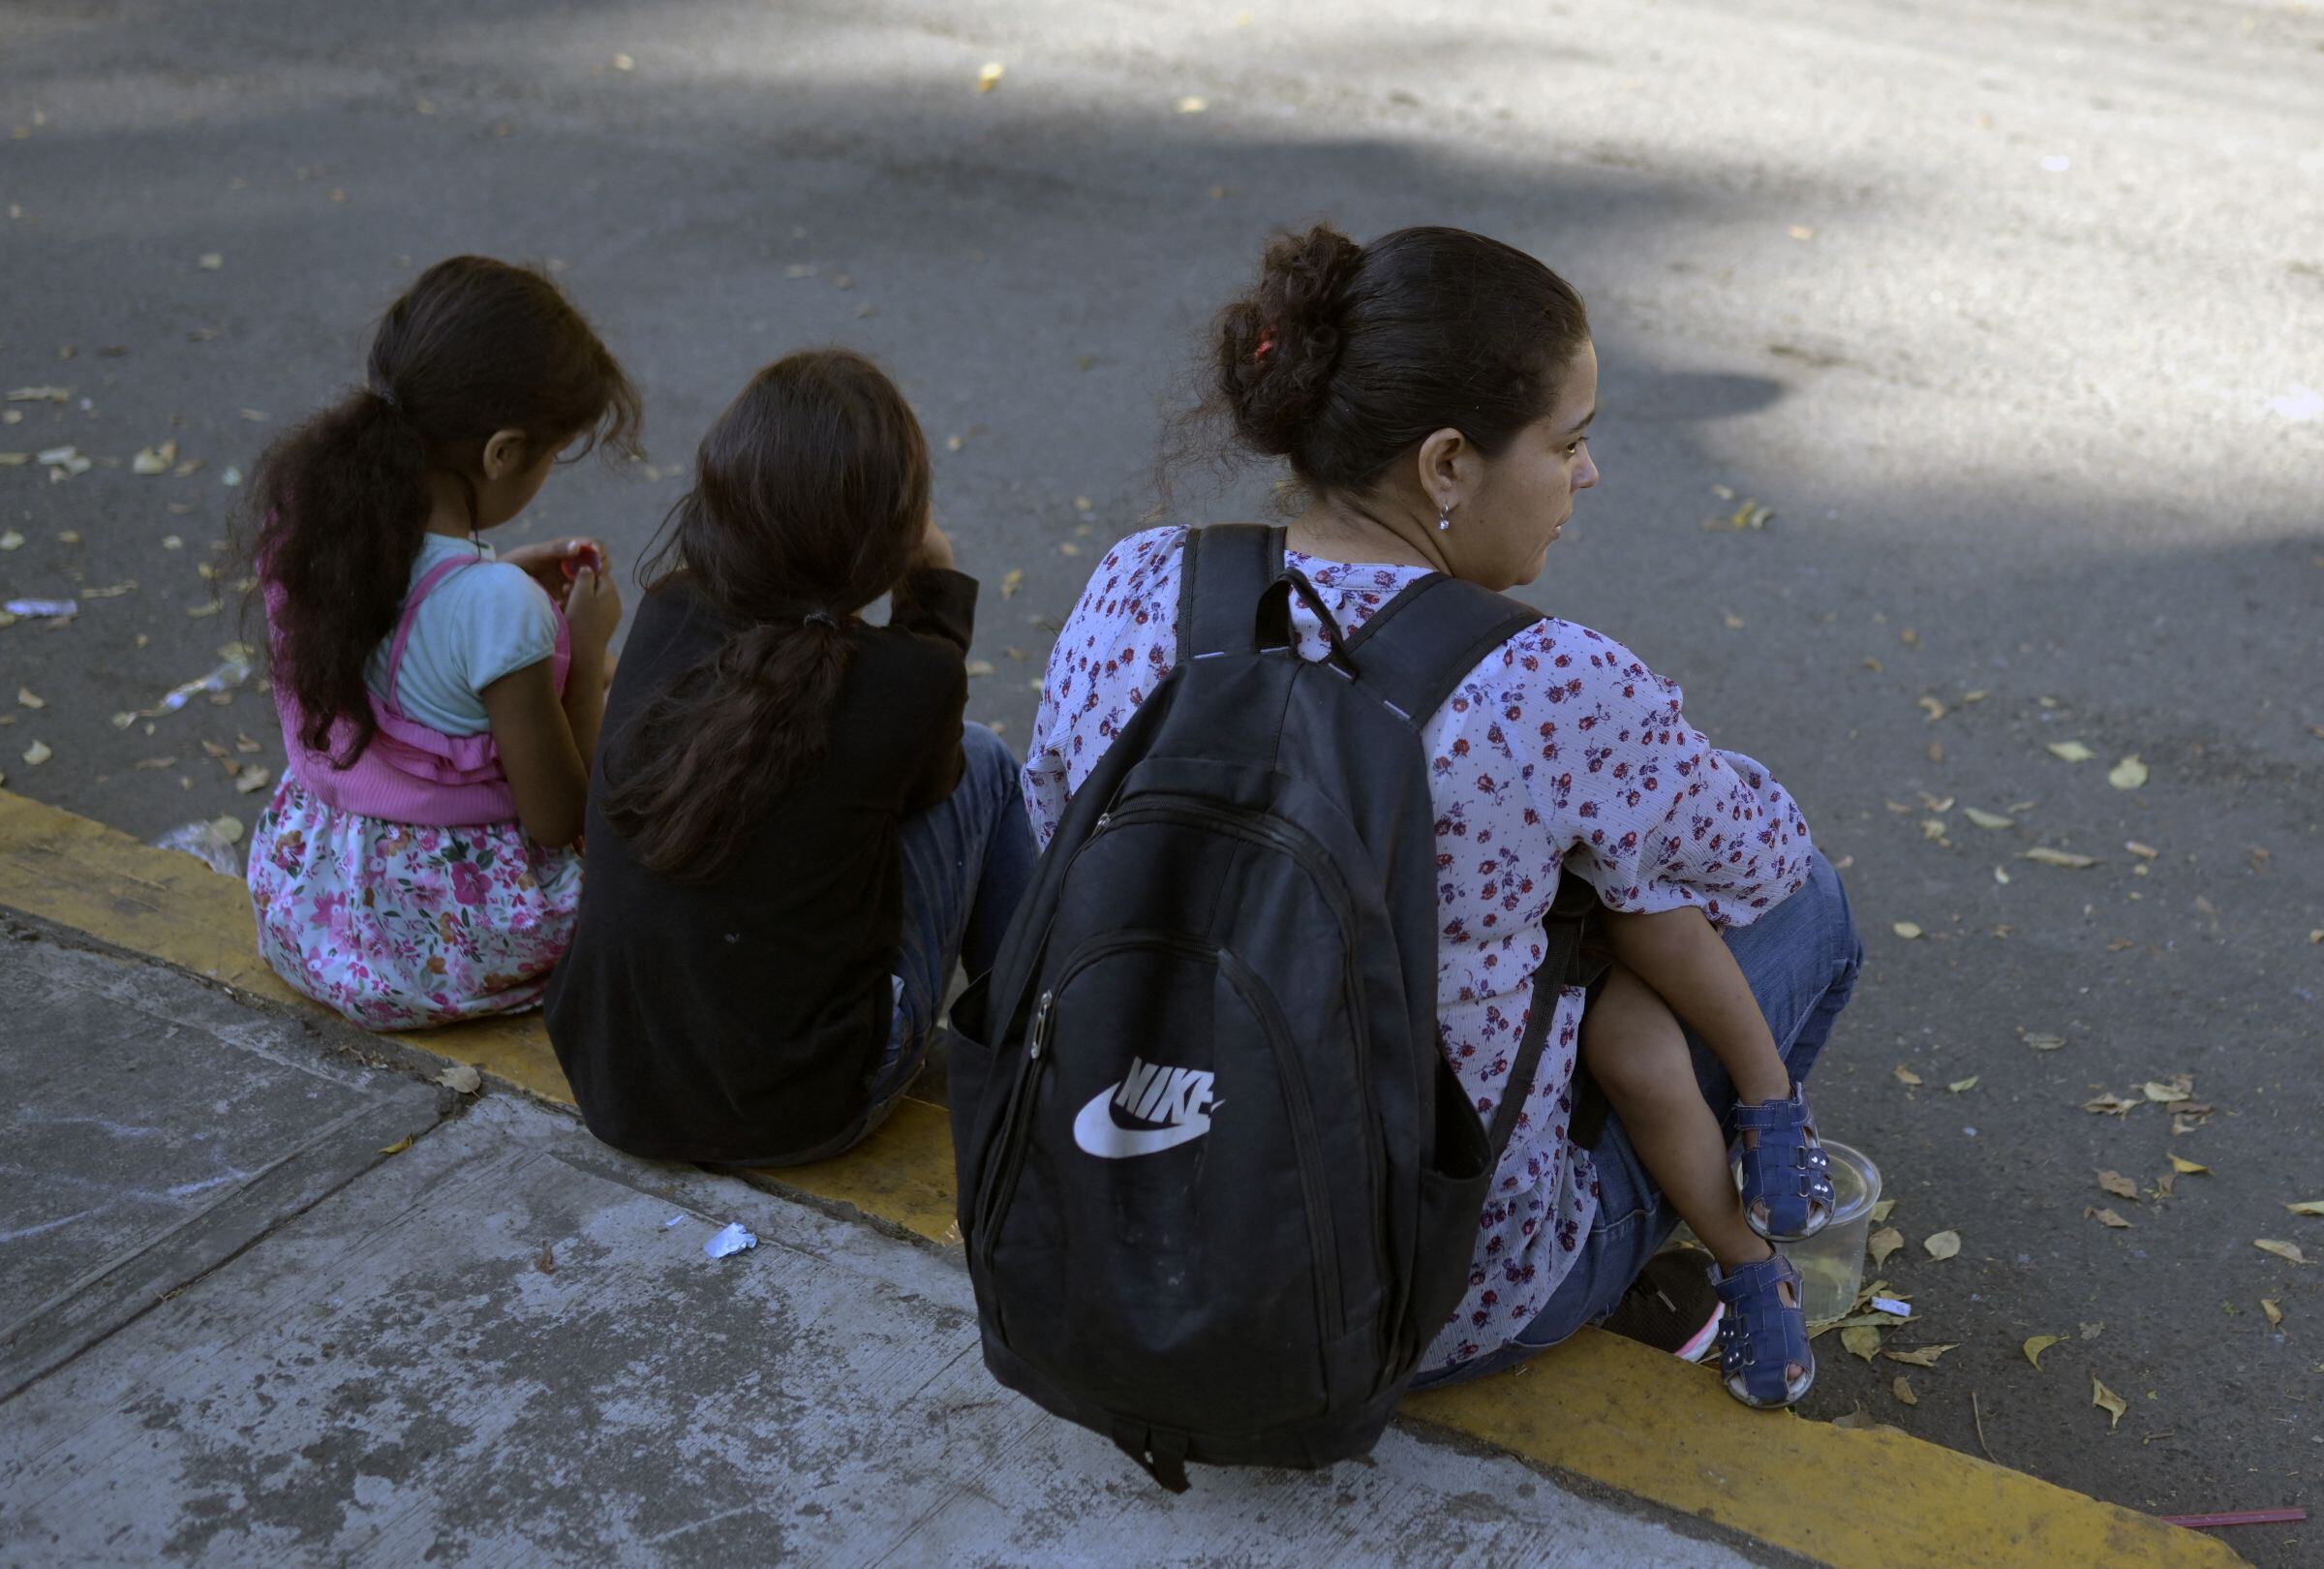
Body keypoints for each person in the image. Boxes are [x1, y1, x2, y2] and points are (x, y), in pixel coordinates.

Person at [1024, 225, 1861, 1408]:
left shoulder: (1135, 583)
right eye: (1567, 443)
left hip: (1132, 1224)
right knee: (1809, 901)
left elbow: (1047, 835)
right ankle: (1682, 1244)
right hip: (1431, 1303)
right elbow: (1763, 857)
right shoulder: (1552, 683)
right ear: (1448, 465)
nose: (1587, 475)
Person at [546, 350, 1035, 1166]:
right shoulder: (905, 680)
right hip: (801, 1111)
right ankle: (1036, 1036)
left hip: (613, 1082)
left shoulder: (669, 610)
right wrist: (934, 577)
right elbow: (936, 776)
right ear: (891, 531)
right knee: (984, 765)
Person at [242, 256, 640, 1030]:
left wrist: (492, 582)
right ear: (501, 452)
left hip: (310, 906)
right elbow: (558, 817)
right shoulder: (497, 606)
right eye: (553, 454)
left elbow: (421, 618)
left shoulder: (314, 520)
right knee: (642, 720)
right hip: (447, 950)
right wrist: (583, 652)